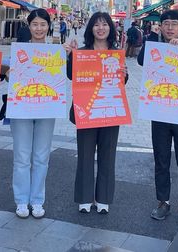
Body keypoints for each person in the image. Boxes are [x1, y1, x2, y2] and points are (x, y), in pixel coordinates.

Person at [137, 10, 178, 228]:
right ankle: (163, 201)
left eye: (174, 24)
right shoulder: (154, 48)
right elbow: (141, 60)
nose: (170, 28)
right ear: (160, 27)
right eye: (166, 24)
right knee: (161, 160)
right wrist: (154, 40)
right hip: (159, 114)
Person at [65, 12, 127, 214]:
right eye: (97, 25)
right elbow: (70, 75)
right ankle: (84, 197)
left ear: (111, 28)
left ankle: (103, 198)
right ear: (91, 28)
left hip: (110, 109)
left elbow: (121, 82)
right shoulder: (82, 52)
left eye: (105, 24)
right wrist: (70, 57)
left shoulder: (116, 53)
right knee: (85, 154)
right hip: (87, 110)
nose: (101, 28)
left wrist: (124, 74)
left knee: (107, 154)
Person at [9, 8, 57, 219]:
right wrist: (9, 72)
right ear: (29, 27)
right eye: (35, 24)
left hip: (47, 108)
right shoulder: (19, 51)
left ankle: (37, 200)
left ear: (48, 27)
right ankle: (21, 200)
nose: (39, 28)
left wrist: (70, 54)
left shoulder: (56, 52)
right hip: (21, 108)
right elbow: (6, 74)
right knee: (21, 156)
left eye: (43, 24)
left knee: (41, 157)